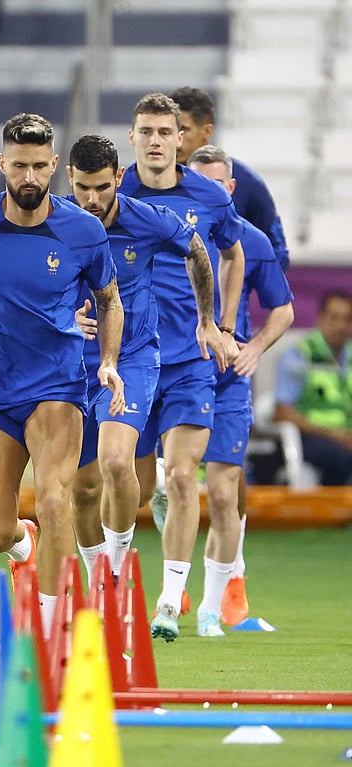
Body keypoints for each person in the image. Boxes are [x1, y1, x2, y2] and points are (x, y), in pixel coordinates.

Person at [0, 113, 125, 639]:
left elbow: (110, 299)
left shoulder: (82, 230)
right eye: (20, 166)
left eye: (40, 166)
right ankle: (24, 545)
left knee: (55, 497)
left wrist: (108, 360)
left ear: (54, 165)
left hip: (58, 384)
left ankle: (49, 626)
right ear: (2, 164)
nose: (30, 177)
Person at [117, 92, 244, 642]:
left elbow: (233, 252)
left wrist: (221, 325)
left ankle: (169, 602)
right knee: (132, 486)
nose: (155, 141)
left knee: (184, 475)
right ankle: (114, 584)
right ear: (132, 137)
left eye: (165, 132)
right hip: (133, 358)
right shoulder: (112, 191)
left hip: (190, 362)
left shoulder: (209, 196)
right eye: (146, 131)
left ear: (180, 139)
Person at [64, 135, 211, 589]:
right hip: (71, 366)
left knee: (114, 462)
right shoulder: (55, 221)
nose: (92, 199)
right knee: (83, 490)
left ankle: (115, 572)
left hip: (132, 358)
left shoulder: (148, 220)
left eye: (102, 188)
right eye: (83, 187)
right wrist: (63, 317)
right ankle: (100, 583)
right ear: (69, 178)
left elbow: (197, 251)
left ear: (119, 178)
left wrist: (207, 320)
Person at [187, 145, 294, 637]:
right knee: (156, 483)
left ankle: (211, 610)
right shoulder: (165, 232)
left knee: (223, 494)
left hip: (228, 376)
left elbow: (283, 310)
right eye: (198, 184)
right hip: (173, 372)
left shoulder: (251, 240)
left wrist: (255, 349)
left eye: (215, 185)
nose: (207, 193)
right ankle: (165, 592)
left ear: (230, 189)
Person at [170, 87, 290, 270]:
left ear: (207, 131)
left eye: (184, 130)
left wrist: (235, 277)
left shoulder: (246, 183)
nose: (175, 139)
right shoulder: (147, 182)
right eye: (169, 130)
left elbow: (277, 254)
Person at [273, 291, 352, 485]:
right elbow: (282, 413)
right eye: (334, 318)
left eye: (347, 319)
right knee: (340, 458)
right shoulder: (300, 356)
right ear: (320, 319)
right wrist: (334, 435)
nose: (341, 326)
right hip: (312, 437)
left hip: (347, 436)